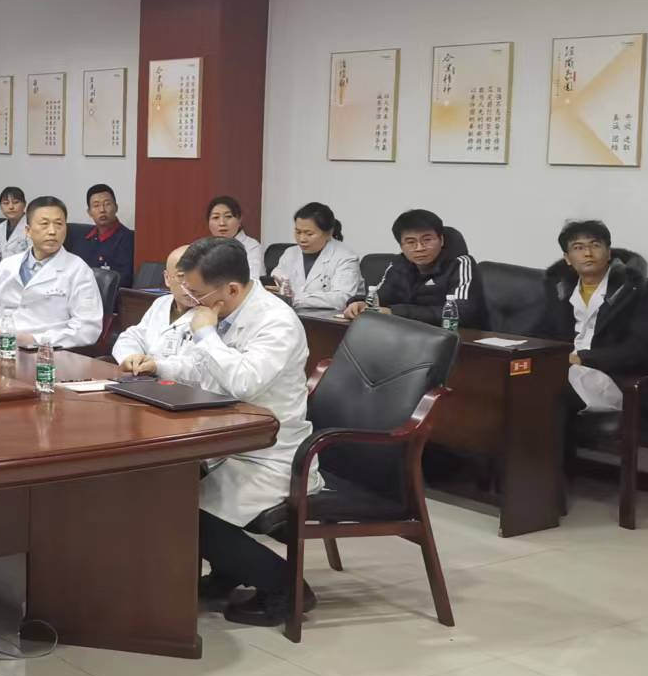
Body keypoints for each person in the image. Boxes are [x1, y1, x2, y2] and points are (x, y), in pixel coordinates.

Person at [127, 237, 318, 627]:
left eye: (197, 294)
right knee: (163, 493)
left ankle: (287, 588)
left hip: (270, 452)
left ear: (231, 289)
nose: (191, 302)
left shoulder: (276, 322)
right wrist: (159, 366)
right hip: (226, 439)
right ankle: (228, 573)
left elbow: (243, 381)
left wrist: (206, 334)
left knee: (189, 513)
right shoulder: (221, 311)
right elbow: (202, 367)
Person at [543, 219, 648, 416]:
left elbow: (642, 348)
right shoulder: (560, 290)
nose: (588, 253)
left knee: (545, 388)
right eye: (578, 247)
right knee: (520, 378)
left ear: (608, 253)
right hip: (563, 368)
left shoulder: (634, 291)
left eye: (595, 245)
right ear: (567, 258)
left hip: (609, 377)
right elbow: (543, 332)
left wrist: (583, 358)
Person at [0, 195, 103, 348]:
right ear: (28, 231)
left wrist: (36, 340)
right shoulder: (8, 265)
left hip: (45, 353)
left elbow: (87, 329)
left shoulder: (78, 269)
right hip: (0, 346)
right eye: (44, 224)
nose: (52, 231)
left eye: (59, 224)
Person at [346, 209, 485, 328]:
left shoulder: (461, 263)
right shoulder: (398, 264)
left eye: (427, 240)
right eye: (411, 242)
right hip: (410, 334)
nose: (419, 248)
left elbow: (462, 312)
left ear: (441, 240)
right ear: (401, 246)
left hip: (457, 338)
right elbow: (380, 297)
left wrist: (395, 312)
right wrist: (360, 303)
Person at [271, 202, 363, 313]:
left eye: (309, 234)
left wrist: (294, 298)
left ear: (329, 233)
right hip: (291, 315)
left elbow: (342, 298)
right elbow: (278, 279)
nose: (302, 239)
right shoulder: (290, 253)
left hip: (329, 320)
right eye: (298, 232)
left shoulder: (346, 257)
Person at [113, 244, 194, 370]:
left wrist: (157, 366)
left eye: (195, 277)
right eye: (181, 277)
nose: (189, 285)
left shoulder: (212, 313)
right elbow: (132, 336)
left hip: (179, 381)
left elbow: (198, 367)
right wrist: (131, 356)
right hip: (145, 377)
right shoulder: (161, 303)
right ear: (167, 278)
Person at [68, 184, 135, 286]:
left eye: (107, 204)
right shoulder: (81, 239)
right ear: (89, 212)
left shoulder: (128, 239)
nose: (102, 210)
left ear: (116, 207)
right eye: (96, 205)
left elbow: (124, 280)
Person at [206, 195, 266, 285]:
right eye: (215, 217)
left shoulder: (251, 246)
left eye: (228, 216)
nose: (222, 223)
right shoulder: (205, 247)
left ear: (239, 220)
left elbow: (251, 280)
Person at [0, 186, 29, 260]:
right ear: (1, 207)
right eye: (6, 203)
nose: (11, 207)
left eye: (16, 202)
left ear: (24, 204)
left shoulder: (31, 226)